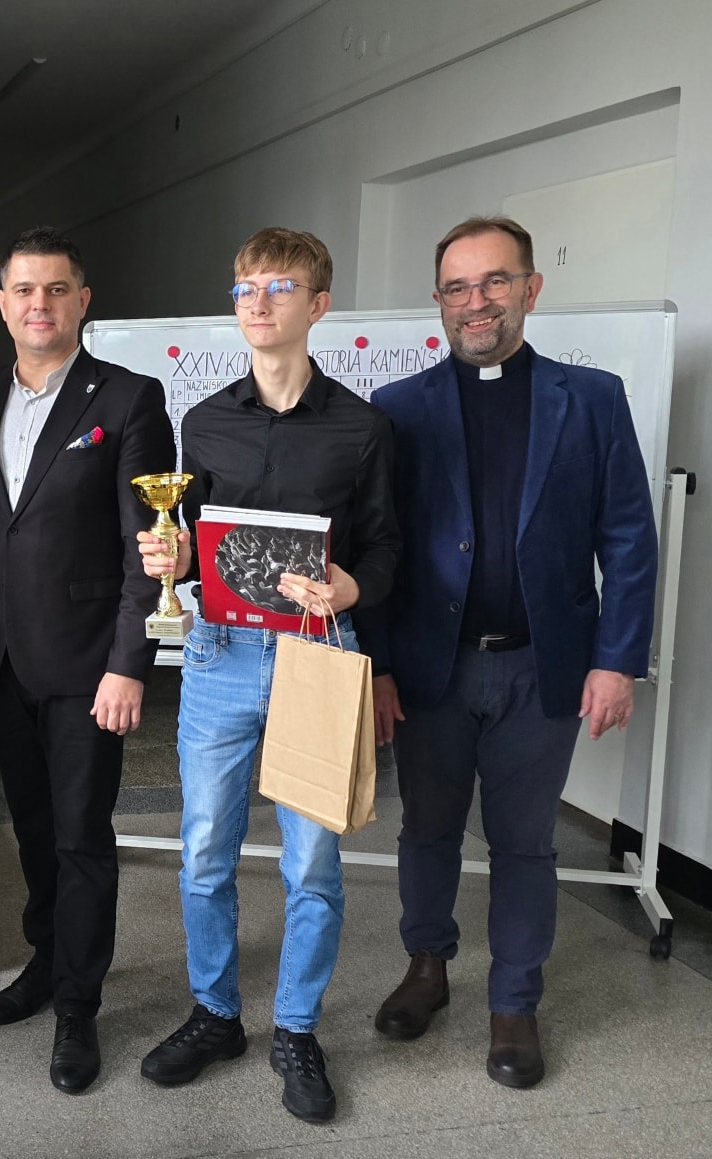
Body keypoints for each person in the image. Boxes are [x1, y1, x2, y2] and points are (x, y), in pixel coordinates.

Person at [361, 216, 658, 1088]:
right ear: (438, 301)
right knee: (426, 827)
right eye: (457, 287)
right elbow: (378, 549)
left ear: (530, 288)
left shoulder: (591, 398)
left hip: (541, 663)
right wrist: (378, 667)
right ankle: (426, 966)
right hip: (432, 665)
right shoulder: (397, 408)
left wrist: (616, 659)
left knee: (524, 841)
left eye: (493, 281)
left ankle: (513, 1000)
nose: (475, 301)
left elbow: (627, 538)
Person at [136, 228, 399, 1122]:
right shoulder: (203, 420)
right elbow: (195, 545)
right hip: (218, 652)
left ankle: (295, 1027)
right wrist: (170, 558)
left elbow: (387, 547)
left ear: (317, 305)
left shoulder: (363, 428)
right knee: (203, 849)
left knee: (312, 861)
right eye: (244, 286)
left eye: (278, 287)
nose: (256, 301)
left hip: (316, 651)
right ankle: (215, 1013)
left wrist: (350, 586)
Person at [0, 226, 174, 1094]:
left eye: (56, 289)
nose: (39, 304)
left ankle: (78, 1007)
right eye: (24, 289)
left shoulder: (128, 399)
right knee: (29, 825)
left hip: (90, 664)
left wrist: (130, 660)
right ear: (1, 303)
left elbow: (145, 546)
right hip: (0, 658)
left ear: (82, 301)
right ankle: (47, 958)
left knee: (80, 836)